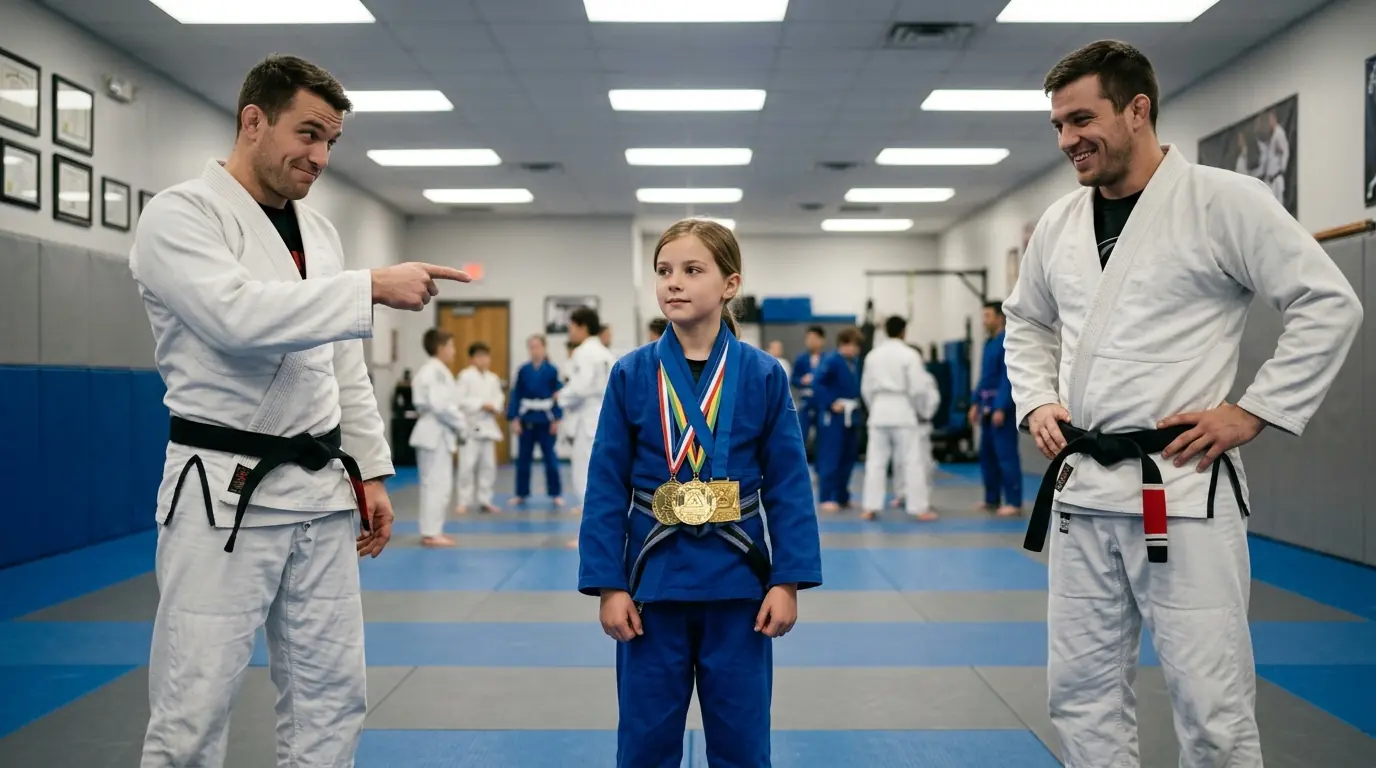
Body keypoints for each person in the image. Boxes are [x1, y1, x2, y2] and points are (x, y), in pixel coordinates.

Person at [1004, 40, 1362, 768]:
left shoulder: (1223, 200)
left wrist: (1252, 410)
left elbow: (1329, 303)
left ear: (1138, 110)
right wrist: (1037, 398)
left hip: (1181, 487)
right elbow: (1025, 320)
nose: (1068, 139)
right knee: (1078, 692)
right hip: (1083, 490)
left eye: (1081, 119)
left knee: (1212, 702)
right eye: (1058, 126)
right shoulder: (1059, 223)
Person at [130, 54, 471, 767]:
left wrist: (371, 473)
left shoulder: (320, 234)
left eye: (331, 142)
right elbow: (235, 317)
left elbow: (342, 365)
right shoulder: (179, 216)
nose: (319, 157)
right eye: (308, 134)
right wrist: (370, 286)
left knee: (333, 693)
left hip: (320, 494)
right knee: (194, 702)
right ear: (253, 120)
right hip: (224, 492)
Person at [577, 218, 823, 768]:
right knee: (644, 742)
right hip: (651, 585)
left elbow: (788, 484)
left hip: (739, 587)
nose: (674, 283)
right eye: (664, 271)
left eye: (692, 270)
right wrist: (607, 585)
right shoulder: (631, 373)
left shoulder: (763, 374)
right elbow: (605, 487)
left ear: (729, 285)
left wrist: (788, 580)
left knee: (742, 742)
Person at [861, 316, 941, 521]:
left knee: (875, 462)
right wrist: (921, 412)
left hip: (879, 410)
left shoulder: (873, 355)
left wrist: (874, 408)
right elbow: (917, 388)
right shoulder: (910, 355)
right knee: (912, 461)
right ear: (904, 331)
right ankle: (919, 508)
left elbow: (866, 389)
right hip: (903, 409)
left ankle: (871, 506)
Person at [409, 329, 467, 547]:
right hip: (433, 431)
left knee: (439, 485)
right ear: (441, 347)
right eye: (451, 346)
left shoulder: (437, 371)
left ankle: (434, 530)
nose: (453, 351)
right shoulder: (434, 372)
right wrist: (462, 424)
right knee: (434, 484)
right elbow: (442, 406)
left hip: (437, 432)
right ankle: (431, 533)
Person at [558, 306, 617, 514]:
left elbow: (580, 387)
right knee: (602, 472)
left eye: (572, 327)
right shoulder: (605, 352)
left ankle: (587, 520)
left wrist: (561, 397)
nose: (570, 332)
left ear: (583, 327)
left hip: (587, 418)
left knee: (584, 472)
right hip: (605, 416)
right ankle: (595, 515)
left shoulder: (583, 352)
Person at [969, 300, 1022, 517]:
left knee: (1006, 455)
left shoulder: (1007, 342)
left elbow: (1006, 378)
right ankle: (992, 498)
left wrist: (1001, 406)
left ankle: (1014, 501)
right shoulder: (988, 343)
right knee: (987, 454)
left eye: (988, 316)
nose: (984, 320)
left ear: (1000, 317)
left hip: (1002, 409)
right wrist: (975, 402)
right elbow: (985, 377)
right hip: (986, 406)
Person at [507, 334, 565, 508]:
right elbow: (516, 394)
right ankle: (521, 493)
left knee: (550, 459)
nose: (534, 350)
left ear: (544, 348)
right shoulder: (523, 370)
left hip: (546, 419)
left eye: (537, 346)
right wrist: (514, 419)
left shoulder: (552, 370)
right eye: (531, 347)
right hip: (527, 418)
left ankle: (555, 493)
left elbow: (558, 396)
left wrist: (556, 418)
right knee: (523, 459)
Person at [811, 327, 865, 513]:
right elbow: (817, 384)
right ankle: (826, 496)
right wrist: (830, 403)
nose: (857, 349)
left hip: (850, 414)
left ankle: (842, 496)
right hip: (833, 416)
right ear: (845, 344)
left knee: (848, 457)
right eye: (855, 345)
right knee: (831, 456)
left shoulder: (854, 363)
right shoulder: (832, 361)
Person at [455, 341, 505, 515]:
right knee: (467, 466)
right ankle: (464, 501)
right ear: (472, 359)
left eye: (486, 356)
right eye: (479, 356)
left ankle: (486, 500)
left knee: (488, 466)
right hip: (470, 427)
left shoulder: (493, 378)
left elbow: (499, 398)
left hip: (488, 426)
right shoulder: (465, 376)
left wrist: (494, 406)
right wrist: (482, 404)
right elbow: (460, 400)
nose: (483, 360)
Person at [790, 326, 826, 443]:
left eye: (814, 338)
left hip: (822, 402)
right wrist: (802, 381)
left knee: (823, 438)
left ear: (822, 340)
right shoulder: (801, 359)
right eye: (809, 338)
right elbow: (794, 379)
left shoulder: (828, 359)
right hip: (805, 401)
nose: (811, 341)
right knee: (800, 435)